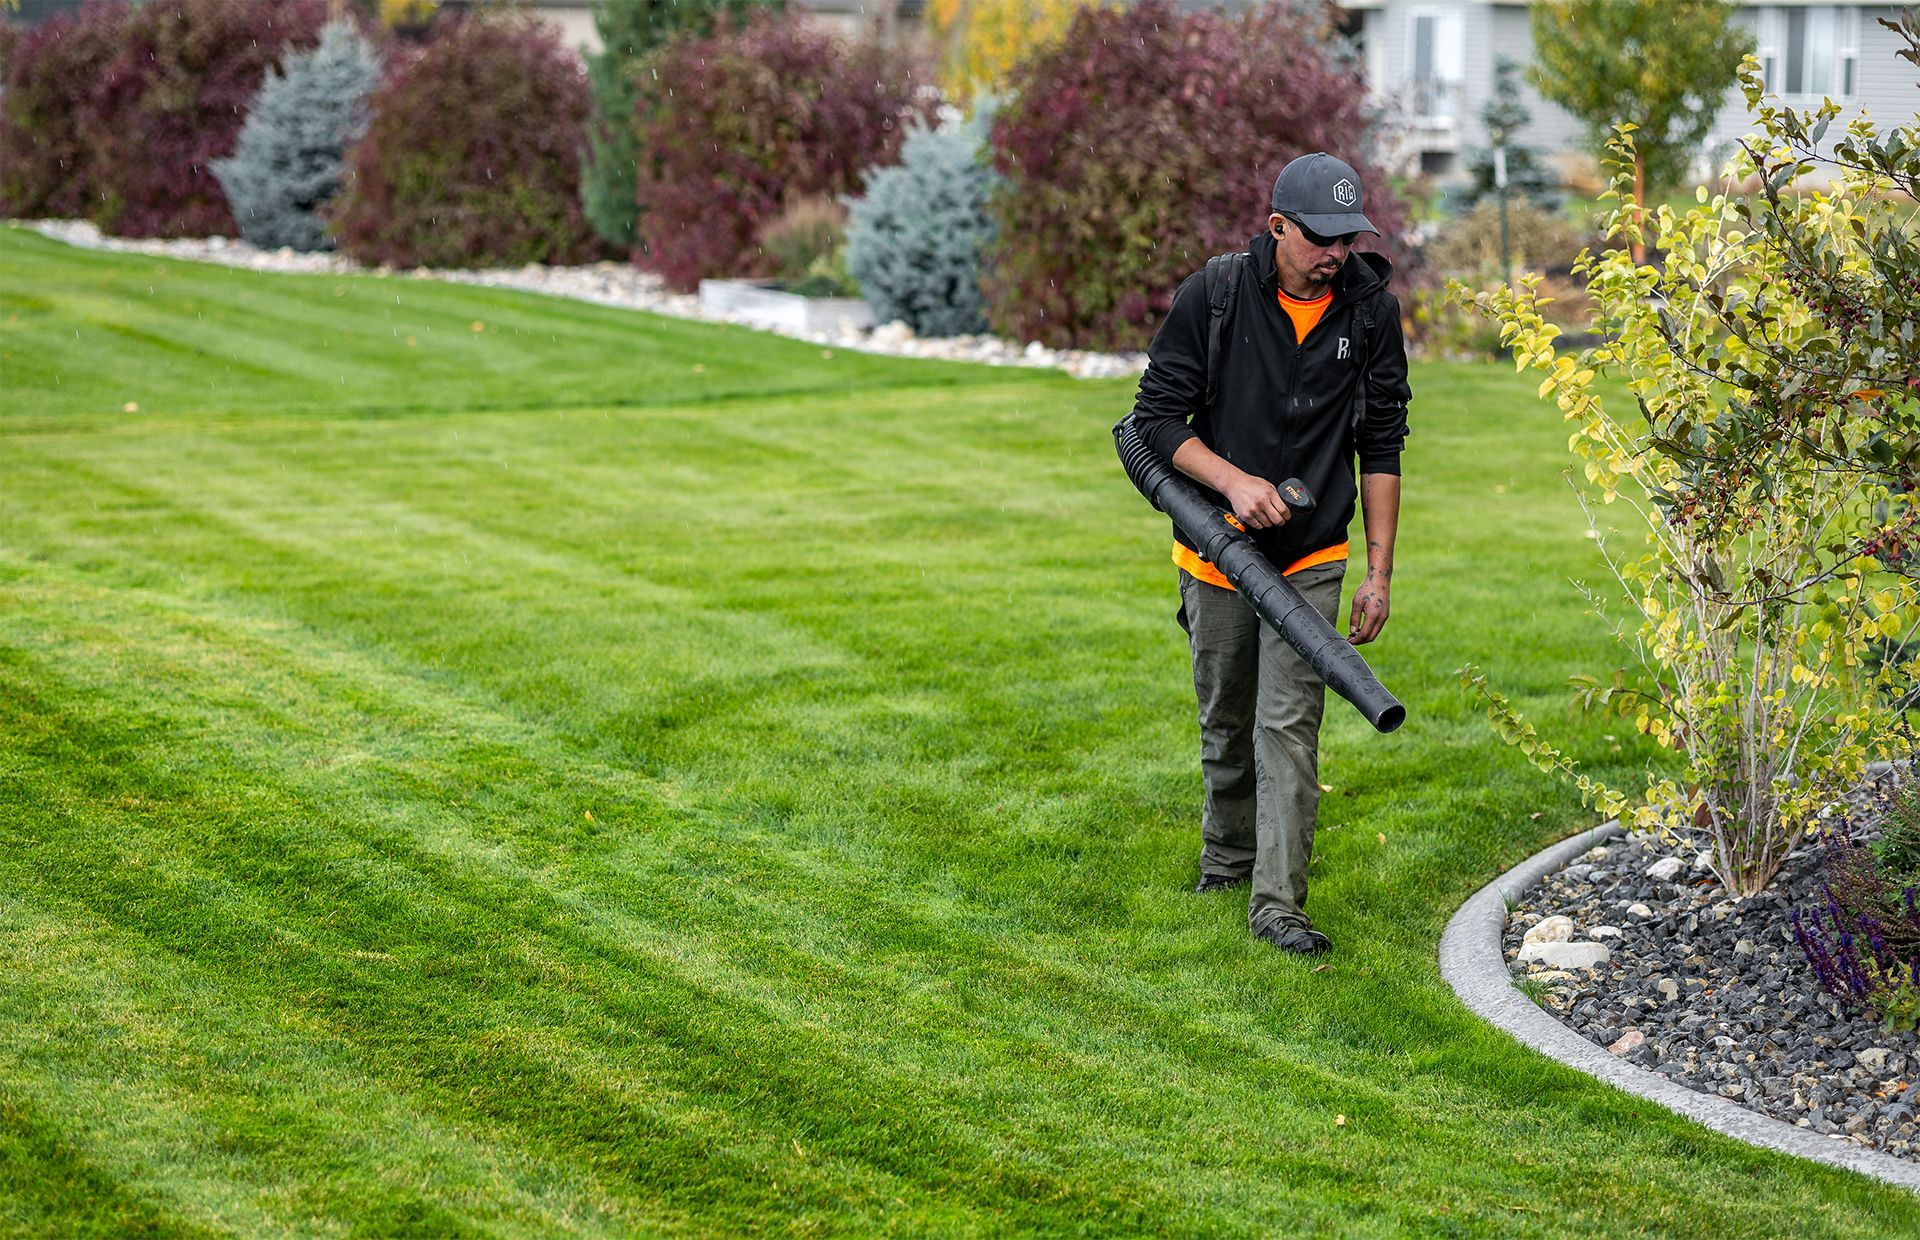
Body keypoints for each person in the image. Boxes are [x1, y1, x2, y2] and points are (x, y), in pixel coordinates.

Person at [1128, 152, 1411, 956]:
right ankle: (1227, 858)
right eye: (1320, 238)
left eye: (1348, 239)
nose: (1336, 254)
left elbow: (1382, 446)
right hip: (1216, 555)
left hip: (1311, 557)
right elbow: (1154, 422)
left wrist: (1379, 573)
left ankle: (1278, 906)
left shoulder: (1369, 313)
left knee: (1289, 726)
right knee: (1226, 717)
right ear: (1277, 224)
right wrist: (1232, 483)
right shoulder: (1214, 296)